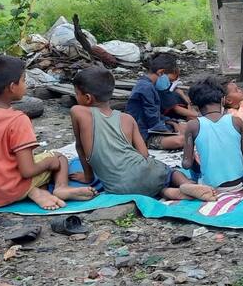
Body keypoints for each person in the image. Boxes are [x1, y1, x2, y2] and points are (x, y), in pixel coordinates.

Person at [0, 55, 96, 210]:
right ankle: (61, 188)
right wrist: (48, 162)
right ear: (12, 87)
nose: (25, 84)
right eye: (24, 80)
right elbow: (27, 171)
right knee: (59, 158)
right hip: (9, 190)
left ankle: (37, 192)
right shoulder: (17, 120)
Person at [70, 67, 217, 201]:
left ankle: (168, 192)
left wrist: (88, 176)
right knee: (169, 172)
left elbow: (81, 148)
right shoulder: (127, 119)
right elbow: (144, 154)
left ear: (88, 98)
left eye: (76, 93)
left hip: (120, 188)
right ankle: (185, 183)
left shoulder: (78, 112)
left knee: (147, 186)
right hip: (149, 172)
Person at [182, 76, 243, 193]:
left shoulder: (193, 125)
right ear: (223, 100)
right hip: (238, 185)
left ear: (194, 104)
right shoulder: (236, 121)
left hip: (210, 188)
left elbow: (186, 164)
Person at [126, 54, 185, 150]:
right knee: (181, 140)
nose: (169, 84)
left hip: (150, 128)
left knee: (187, 128)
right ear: (161, 72)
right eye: (169, 80)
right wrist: (170, 133)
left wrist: (174, 123)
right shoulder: (146, 88)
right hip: (143, 134)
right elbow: (153, 119)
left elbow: (156, 114)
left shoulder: (148, 85)